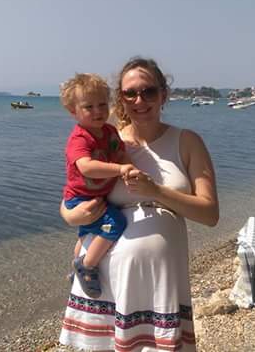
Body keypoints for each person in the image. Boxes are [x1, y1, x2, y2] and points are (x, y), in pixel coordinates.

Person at [58, 57, 219, 351]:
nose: (139, 100)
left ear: (163, 94)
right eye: (130, 93)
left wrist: (156, 191)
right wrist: (71, 216)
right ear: (120, 98)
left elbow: (210, 214)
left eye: (148, 91)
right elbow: (74, 192)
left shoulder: (187, 142)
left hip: (159, 283)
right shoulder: (106, 139)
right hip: (104, 280)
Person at [59, 73, 137, 299]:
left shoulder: (109, 132)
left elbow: (120, 152)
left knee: (86, 234)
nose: (98, 111)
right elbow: (86, 167)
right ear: (73, 111)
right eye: (89, 107)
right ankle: (87, 265)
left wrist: (129, 167)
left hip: (96, 196)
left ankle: (75, 268)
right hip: (78, 198)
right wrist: (119, 170)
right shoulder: (80, 139)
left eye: (102, 104)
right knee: (116, 223)